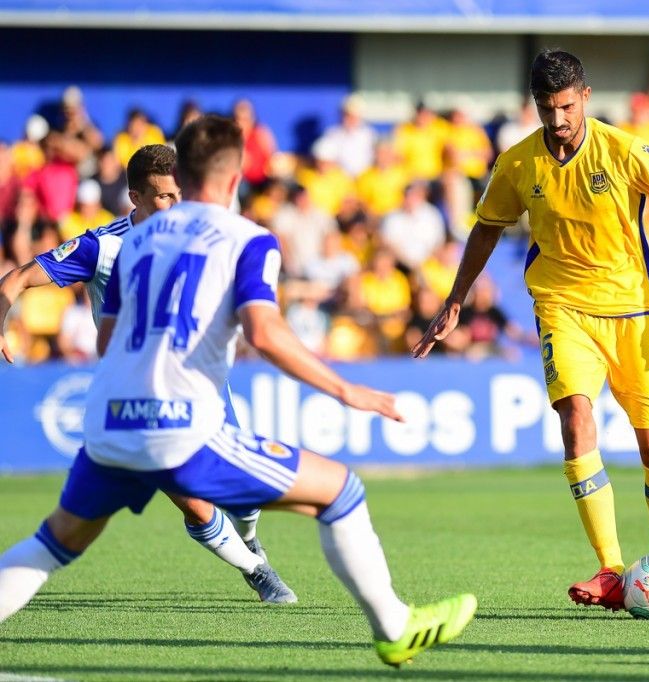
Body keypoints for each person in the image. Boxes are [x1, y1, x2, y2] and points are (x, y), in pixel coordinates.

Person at [0, 116, 476, 666]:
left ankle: (255, 550)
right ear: (233, 181)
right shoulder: (247, 239)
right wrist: (349, 392)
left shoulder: (133, 241)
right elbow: (267, 333)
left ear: (189, 177)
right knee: (339, 489)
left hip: (109, 419)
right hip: (178, 423)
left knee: (52, 542)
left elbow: (109, 333)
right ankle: (394, 626)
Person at [413, 50, 649, 610]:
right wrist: (455, 300)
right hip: (562, 307)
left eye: (564, 106)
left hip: (631, 312)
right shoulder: (517, 164)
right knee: (576, 419)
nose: (557, 121)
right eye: (545, 108)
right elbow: (486, 229)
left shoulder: (626, 150)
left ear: (584, 96)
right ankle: (610, 569)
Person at [0, 144, 297, 604]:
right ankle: (258, 570)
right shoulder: (103, 247)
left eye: (181, 194)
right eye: (163, 197)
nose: (176, 206)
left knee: (246, 497)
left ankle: (250, 538)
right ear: (135, 198)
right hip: (138, 398)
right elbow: (15, 279)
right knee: (191, 497)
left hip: (203, 385)